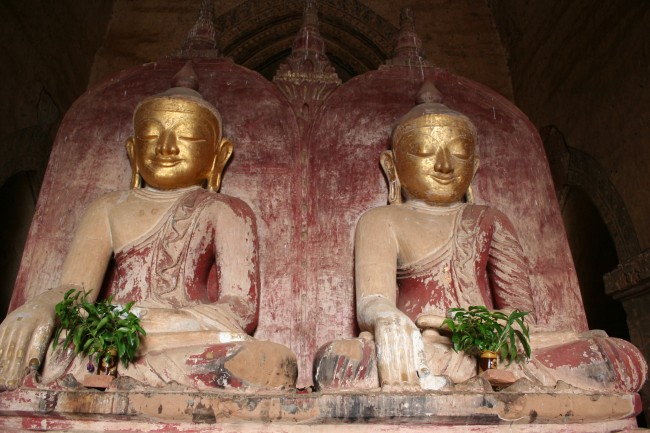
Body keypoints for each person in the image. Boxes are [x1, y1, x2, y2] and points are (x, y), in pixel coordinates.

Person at [314, 81, 647, 393]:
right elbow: (373, 300)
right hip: (421, 344)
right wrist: (387, 319)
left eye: (458, 153)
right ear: (392, 166)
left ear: (474, 167)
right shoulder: (380, 220)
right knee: (337, 363)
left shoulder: (489, 219)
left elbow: (521, 315)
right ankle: (488, 382)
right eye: (424, 152)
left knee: (619, 357)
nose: (444, 165)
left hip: (492, 347)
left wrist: (468, 325)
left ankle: (480, 379)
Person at [0, 64, 297, 391]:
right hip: (110, 336)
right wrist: (40, 308)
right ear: (133, 150)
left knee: (271, 362)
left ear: (218, 156)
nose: (166, 147)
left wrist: (147, 321)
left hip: (182, 337)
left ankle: (115, 375)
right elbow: (75, 292)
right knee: (59, 346)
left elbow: (240, 309)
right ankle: (113, 371)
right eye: (152, 135)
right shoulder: (108, 208)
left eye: (187, 136)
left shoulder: (226, 210)